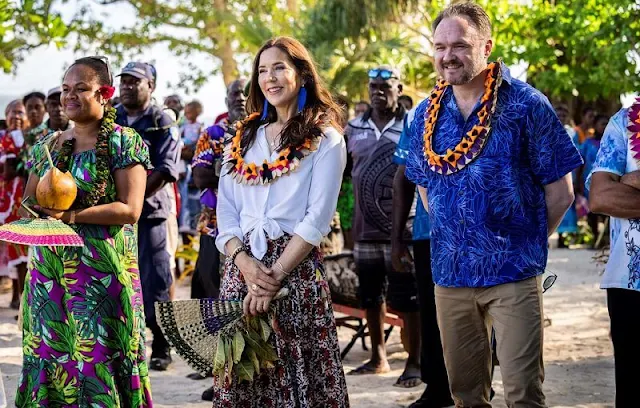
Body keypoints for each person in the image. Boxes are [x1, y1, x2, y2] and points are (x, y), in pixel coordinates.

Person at [405, 3, 582, 406]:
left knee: (523, 393)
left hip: (513, 272)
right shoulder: (424, 116)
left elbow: (562, 192)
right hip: (450, 275)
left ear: (487, 46)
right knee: (466, 395)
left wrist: (524, 242)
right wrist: (458, 234)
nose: (448, 55)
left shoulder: (526, 104)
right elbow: (426, 187)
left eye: (460, 46)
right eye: (440, 46)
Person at [212, 36, 348, 407]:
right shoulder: (241, 140)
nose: (269, 78)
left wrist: (272, 279)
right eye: (261, 71)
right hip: (240, 273)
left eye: (278, 68)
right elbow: (225, 212)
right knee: (244, 379)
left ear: (301, 75)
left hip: (295, 274)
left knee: (297, 376)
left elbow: (317, 218)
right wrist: (244, 264)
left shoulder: (326, 139)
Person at [15, 56, 153, 406]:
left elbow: (130, 209)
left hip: (102, 280)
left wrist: (72, 216)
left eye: (81, 89)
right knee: (53, 358)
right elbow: (28, 203)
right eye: (65, 89)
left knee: (100, 360)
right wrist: (35, 213)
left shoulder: (124, 142)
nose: (69, 96)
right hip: (50, 280)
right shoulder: (48, 145)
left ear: (104, 94)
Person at [345, 65, 422, 388]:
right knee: (370, 296)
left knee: (408, 298)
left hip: (404, 229)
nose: (377, 92)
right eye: (372, 86)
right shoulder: (352, 127)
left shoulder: (413, 124)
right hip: (364, 229)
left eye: (384, 87)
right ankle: (378, 357)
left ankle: (415, 362)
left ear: (399, 88)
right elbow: (346, 176)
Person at [116, 61, 180, 371]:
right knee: (119, 279)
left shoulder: (162, 120)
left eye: (135, 81)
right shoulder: (111, 117)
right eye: (124, 81)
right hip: (115, 215)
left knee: (155, 279)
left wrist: (132, 202)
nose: (127, 86)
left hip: (152, 213)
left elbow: (166, 171)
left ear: (150, 86)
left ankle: (162, 345)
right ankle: (128, 343)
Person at [189, 78, 247, 401]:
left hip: (253, 235)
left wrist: (221, 167)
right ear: (226, 99)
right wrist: (243, 171)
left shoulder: (263, 128)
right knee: (216, 303)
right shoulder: (211, 134)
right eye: (234, 93)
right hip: (214, 230)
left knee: (248, 306)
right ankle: (222, 377)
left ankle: (247, 375)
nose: (240, 98)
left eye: (245, 92)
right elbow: (200, 177)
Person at [392, 107, 453, 407]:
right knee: (431, 311)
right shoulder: (421, 114)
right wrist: (396, 240)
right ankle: (438, 388)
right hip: (428, 233)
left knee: (480, 309)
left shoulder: (495, 105)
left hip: (480, 234)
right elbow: (403, 178)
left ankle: (477, 383)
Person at [587, 96, 640, 408]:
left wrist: (632, 180)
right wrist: (619, 184)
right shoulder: (624, 122)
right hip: (631, 282)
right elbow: (601, 197)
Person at [0, 100, 29, 310]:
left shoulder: (31, 138)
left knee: (20, 246)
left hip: (21, 200)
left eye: (20, 112)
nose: (16, 116)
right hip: (4, 197)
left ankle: (20, 296)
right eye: (12, 112)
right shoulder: (3, 139)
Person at [578, 114, 608, 240]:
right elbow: (579, 162)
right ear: (595, 125)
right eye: (602, 123)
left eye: (607, 124)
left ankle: (607, 239)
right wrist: (577, 181)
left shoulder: (612, 142)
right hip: (589, 183)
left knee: (608, 210)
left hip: (607, 182)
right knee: (592, 210)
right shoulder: (587, 143)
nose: (605, 126)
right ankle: (596, 237)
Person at [178, 100, 204, 238]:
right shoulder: (183, 126)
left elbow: (199, 141)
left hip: (193, 155)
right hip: (184, 154)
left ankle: (191, 225)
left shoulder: (200, 126)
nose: (187, 114)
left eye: (189, 112)